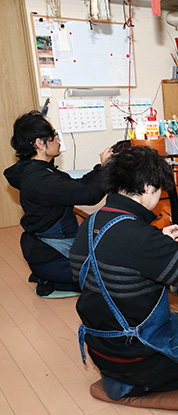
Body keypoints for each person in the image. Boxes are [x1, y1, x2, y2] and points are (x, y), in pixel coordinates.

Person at [70, 145, 178, 399]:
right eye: (159, 188)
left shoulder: (90, 223)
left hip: (100, 346)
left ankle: (124, 374)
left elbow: (118, 259)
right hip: (134, 356)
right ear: (148, 186)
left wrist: (160, 240)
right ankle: (136, 383)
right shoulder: (141, 238)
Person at [4, 110, 109, 297]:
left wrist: (101, 168)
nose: (58, 140)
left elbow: (77, 187)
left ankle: (51, 277)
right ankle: (51, 281)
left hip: (46, 251)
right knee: (110, 278)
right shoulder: (40, 179)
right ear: (40, 144)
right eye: (54, 136)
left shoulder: (38, 171)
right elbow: (89, 195)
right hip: (51, 256)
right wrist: (106, 169)